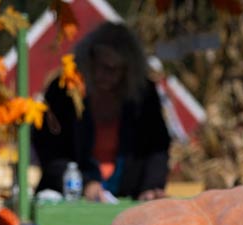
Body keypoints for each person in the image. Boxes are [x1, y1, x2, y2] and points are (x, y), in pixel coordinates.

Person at [33, 21, 171, 202]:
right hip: (69, 198)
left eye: (111, 69)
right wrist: (84, 183)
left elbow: (157, 147)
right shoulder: (64, 90)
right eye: (96, 64)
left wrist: (151, 187)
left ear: (127, 71)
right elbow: (49, 148)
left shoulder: (143, 96)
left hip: (129, 198)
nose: (100, 75)